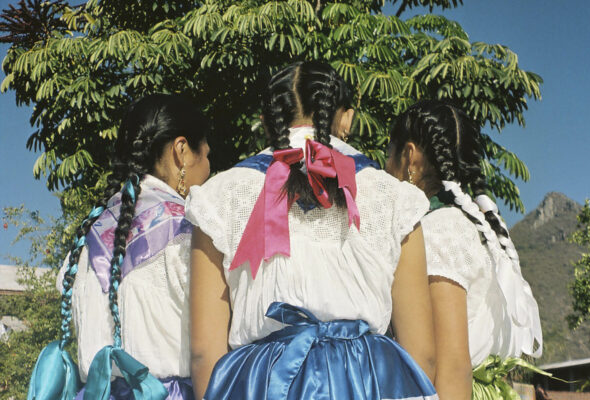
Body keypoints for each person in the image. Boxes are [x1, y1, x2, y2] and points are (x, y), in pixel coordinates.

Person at [185, 61, 438, 400]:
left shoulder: (218, 196)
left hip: (262, 384)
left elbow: (205, 353)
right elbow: (423, 353)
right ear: (345, 118)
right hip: (367, 381)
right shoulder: (395, 199)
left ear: (266, 122)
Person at [28, 94, 211, 400]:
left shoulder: (87, 239)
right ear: (182, 151)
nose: (208, 170)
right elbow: (209, 346)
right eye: (205, 156)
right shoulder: (189, 231)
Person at [386, 100, 542, 400]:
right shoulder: (467, 224)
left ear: (410, 156)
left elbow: (452, 363)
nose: (385, 164)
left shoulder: (440, 230)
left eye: (389, 151)